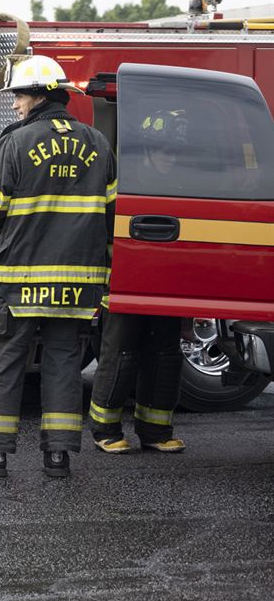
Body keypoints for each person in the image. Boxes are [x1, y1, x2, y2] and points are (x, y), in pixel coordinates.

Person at [0, 55, 116, 479]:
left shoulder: (15, 143)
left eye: (18, 95)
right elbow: (111, 212)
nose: (15, 104)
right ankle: (58, 456)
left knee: (7, 360)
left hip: (20, 280)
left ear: (38, 96)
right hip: (77, 282)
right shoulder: (98, 143)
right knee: (64, 362)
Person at [89, 109, 188, 454]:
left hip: (166, 284)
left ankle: (156, 430)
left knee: (165, 356)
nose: (170, 157)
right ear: (146, 148)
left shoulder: (182, 182)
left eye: (175, 151)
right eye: (163, 150)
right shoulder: (124, 178)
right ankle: (105, 428)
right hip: (123, 282)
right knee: (121, 355)